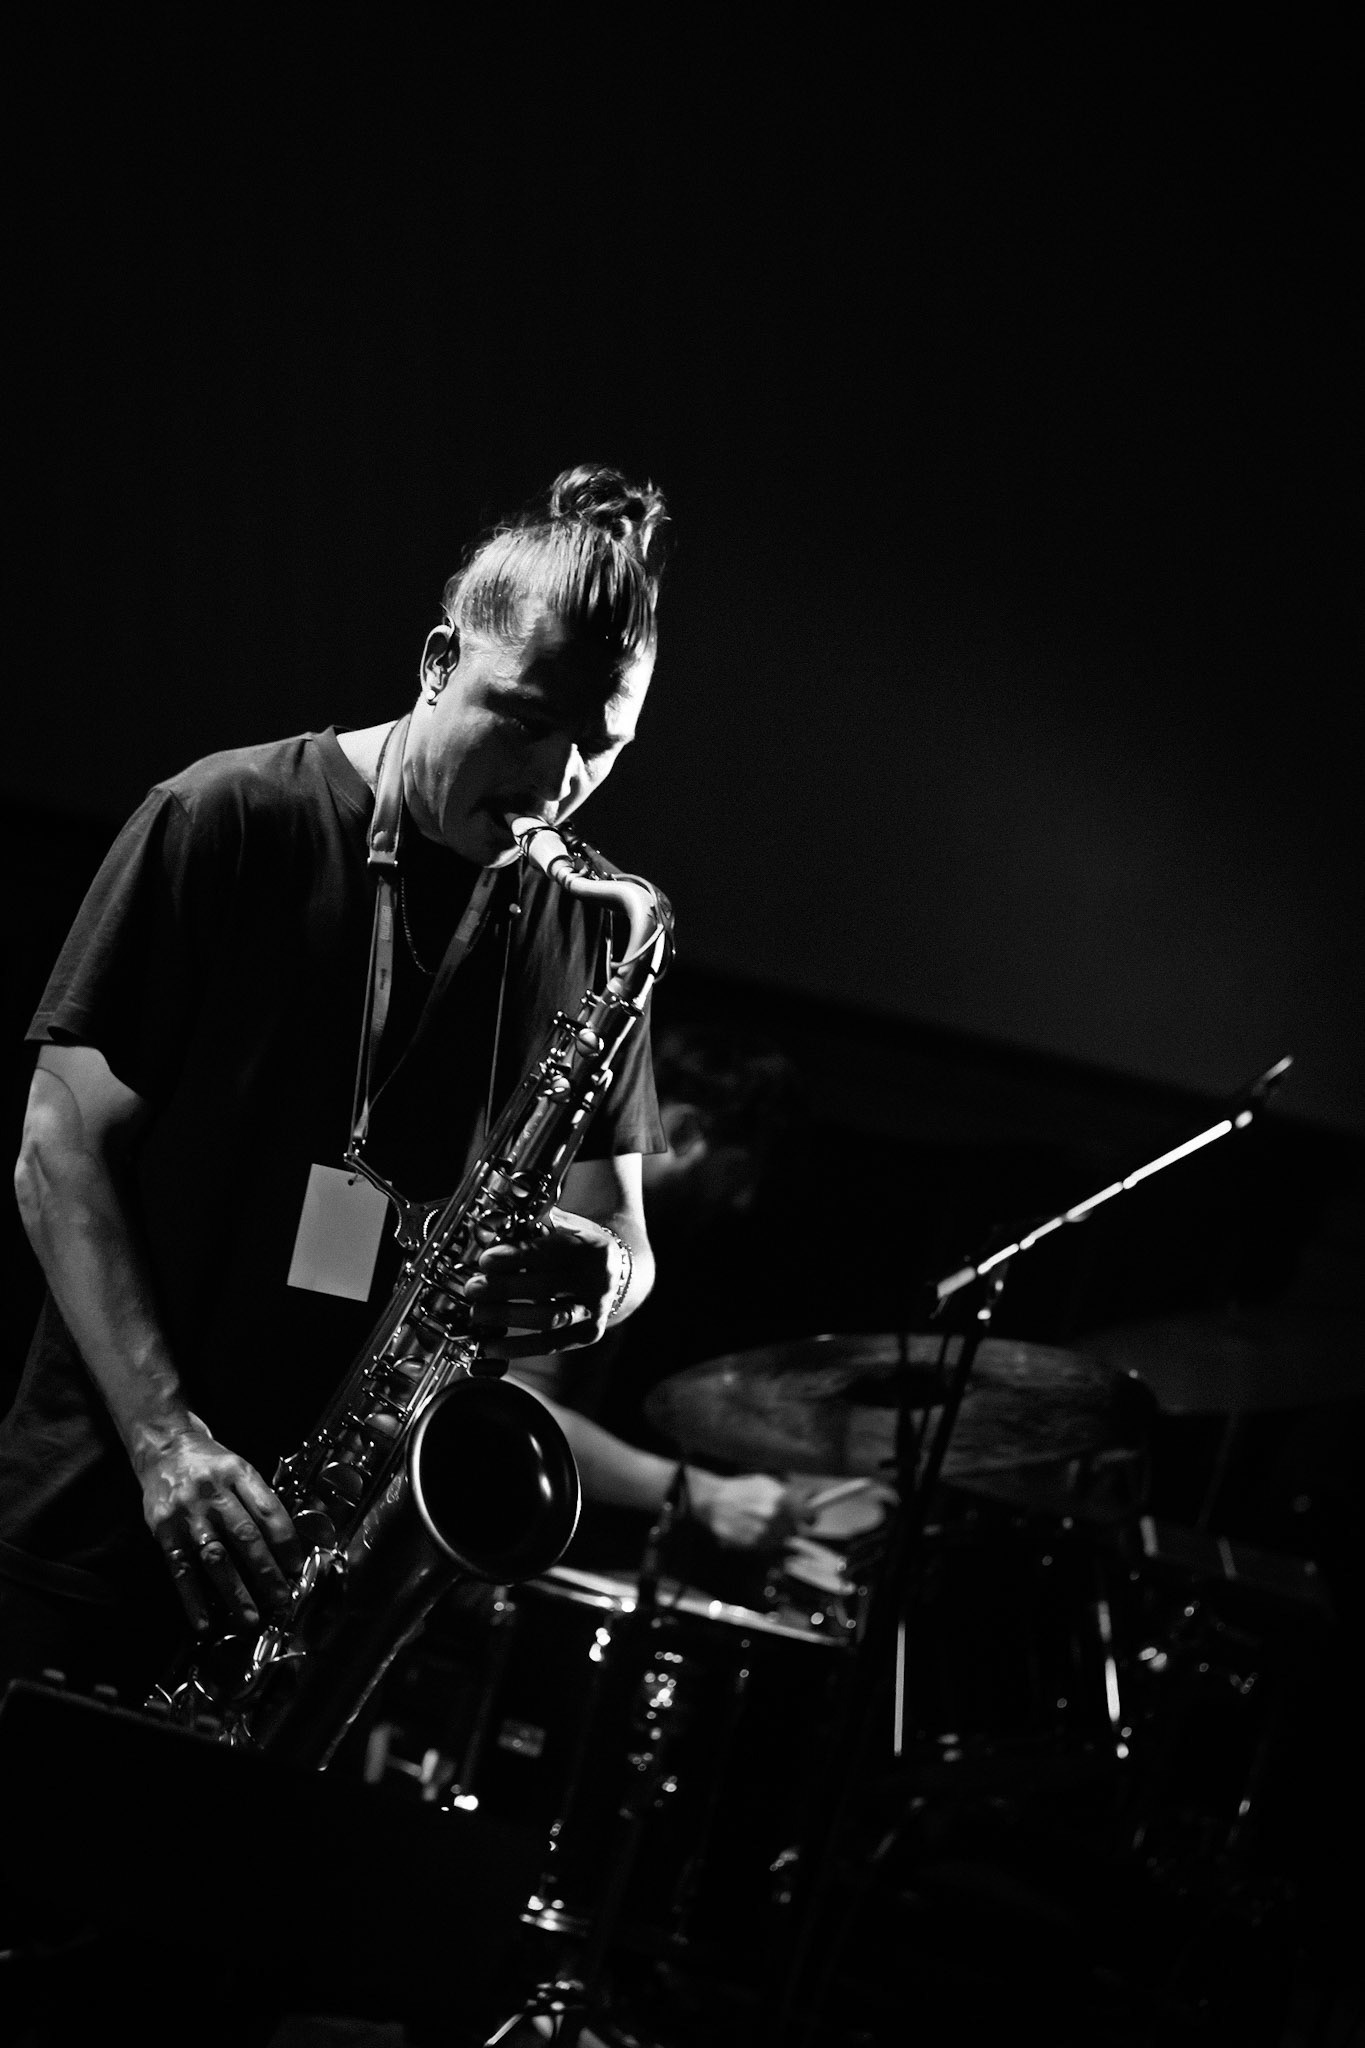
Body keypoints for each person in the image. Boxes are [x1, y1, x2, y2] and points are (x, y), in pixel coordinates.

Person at [0, 464, 674, 1704]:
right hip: (103, 1519)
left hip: (311, 1582)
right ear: (434, 662)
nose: (556, 777)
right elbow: (55, 1149)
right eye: (524, 719)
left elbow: (627, 1233)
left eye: (600, 744)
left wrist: (605, 1277)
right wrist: (165, 1442)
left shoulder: (594, 927)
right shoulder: (228, 815)